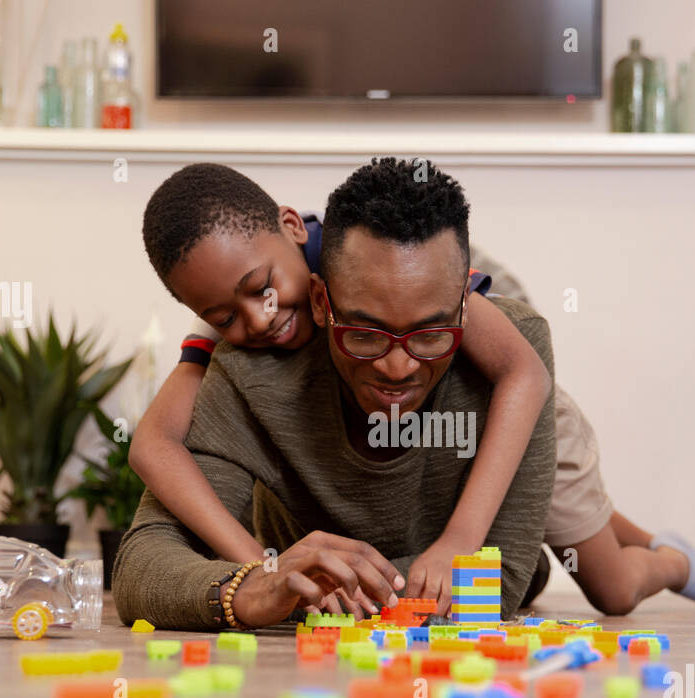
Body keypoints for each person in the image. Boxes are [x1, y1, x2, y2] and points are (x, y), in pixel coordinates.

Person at [113, 159, 556, 628]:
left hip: (528, 410)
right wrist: (262, 580)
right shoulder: (243, 363)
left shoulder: (506, 346)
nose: (398, 365)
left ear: (463, 311)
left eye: (430, 332)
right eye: (365, 332)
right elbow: (144, 556)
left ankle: (617, 552)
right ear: (323, 301)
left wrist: (459, 544)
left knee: (598, 559)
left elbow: (494, 585)